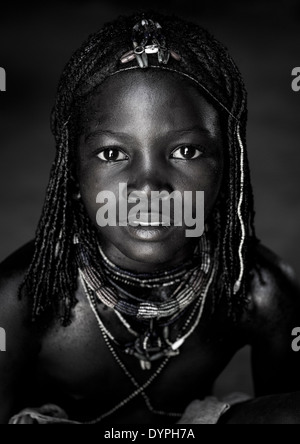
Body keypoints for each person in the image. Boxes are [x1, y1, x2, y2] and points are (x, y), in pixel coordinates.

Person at [1, 12, 300, 425]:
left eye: (186, 152)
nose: (148, 188)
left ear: (228, 170)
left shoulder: (257, 290)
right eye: (112, 154)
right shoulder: (25, 296)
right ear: (73, 175)